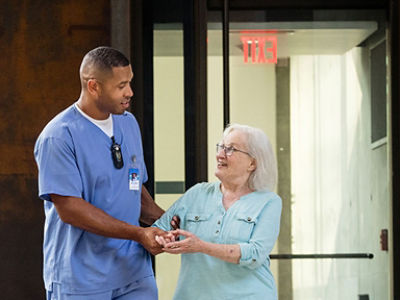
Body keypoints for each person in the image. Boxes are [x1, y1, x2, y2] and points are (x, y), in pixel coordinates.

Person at [34, 46, 173, 300]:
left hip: (133, 272)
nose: (129, 92)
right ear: (93, 86)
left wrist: (166, 220)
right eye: (121, 86)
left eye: (129, 82)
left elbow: (133, 187)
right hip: (81, 278)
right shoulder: (58, 136)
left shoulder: (128, 123)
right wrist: (139, 233)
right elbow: (70, 209)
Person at [153, 123, 282, 300]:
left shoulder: (269, 202)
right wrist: (164, 237)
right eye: (221, 147)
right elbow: (158, 229)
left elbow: (255, 254)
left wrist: (201, 246)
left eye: (231, 149)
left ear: (252, 163)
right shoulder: (197, 193)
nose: (220, 154)